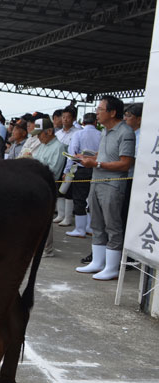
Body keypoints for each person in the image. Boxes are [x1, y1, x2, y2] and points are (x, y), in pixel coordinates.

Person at [75, 95, 135, 280]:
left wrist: (97, 164)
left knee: (113, 225)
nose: (96, 113)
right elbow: (104, 155)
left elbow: (125, 163)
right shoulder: (104, 131)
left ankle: (111, 267)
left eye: (100, 109)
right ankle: (98, 262)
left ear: (112, 112)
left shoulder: (126, 132)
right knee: (97, 223)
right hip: (97, 181)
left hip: (113, 184)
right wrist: (88, 159)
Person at [65, 112, 102, 238]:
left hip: (81, 169)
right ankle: (90, 227)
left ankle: (80, 229)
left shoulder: (78, 134)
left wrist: (67, 171)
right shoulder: (101, 134)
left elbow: (72, 154)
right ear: (96, 123)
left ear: (83, 123)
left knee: (79, 198)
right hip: (97, 169)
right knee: (92, 199)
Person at [32, 122, 66, 257]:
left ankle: (46, 249)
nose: (38, 137)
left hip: (46, 186)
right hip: (36, 184)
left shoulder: (58, 147)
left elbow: (54, 171)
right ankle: (37, 246)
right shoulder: (42, 145)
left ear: (49, 132)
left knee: (44, 218)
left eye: (39, 134)